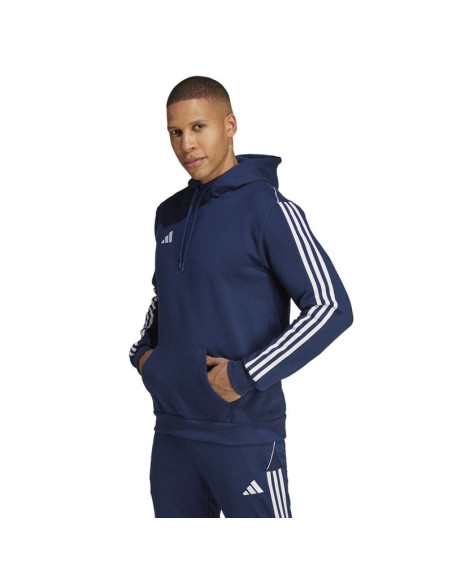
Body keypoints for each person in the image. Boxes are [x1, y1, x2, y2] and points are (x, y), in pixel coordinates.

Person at [129, 75, 353, 518]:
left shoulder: (269, 208)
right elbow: (163, 296)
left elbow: (331, 307)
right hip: (172, 430)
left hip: (245, 433)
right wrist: (144, 356)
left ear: (229, 125)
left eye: (198, 127)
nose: (186, 144)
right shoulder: (168, 214)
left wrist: (245, 375)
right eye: (175, 132)